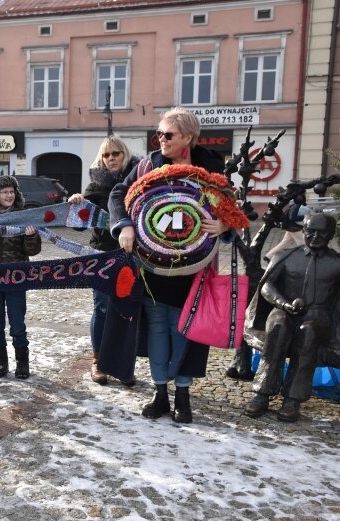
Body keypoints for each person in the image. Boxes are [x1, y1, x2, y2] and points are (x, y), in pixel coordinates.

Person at [108, 107, 229, 424]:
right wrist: (124, 225)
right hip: (153, 268)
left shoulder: (211, 165)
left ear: (188, 137)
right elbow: (119, 194)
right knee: (158, 329)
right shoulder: (149, 165)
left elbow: (230, 203)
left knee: (187, 330)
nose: (161, 139)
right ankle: (160, 393)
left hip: (196, 268)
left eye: (168, 134)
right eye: (158, 134)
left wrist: (225, 224)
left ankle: (183, 396)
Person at [245, 213, 340, 422]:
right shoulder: (287, 256)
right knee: (278, 325)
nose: (314, 236)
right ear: (303, 230)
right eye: (310, 231)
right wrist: (283, 303)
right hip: (283, 309)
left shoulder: (336, 264)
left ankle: (292, 399)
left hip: (318, 315)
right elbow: (267, 286)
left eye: (321, 232)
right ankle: (261, 394)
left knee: (309, 332)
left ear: (330, 234)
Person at [68, 134, 139, 386]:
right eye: (106, 155)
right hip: (102, 254)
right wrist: (77, 204)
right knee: (101, 307)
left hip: (133, 254)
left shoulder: (139, 180)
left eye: (115, 153)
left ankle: (123, 364)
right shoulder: (96, 185)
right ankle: (98, 360)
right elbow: (77, 226)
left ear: (124, 154)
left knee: (128, 308)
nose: (111, 159)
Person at [0, 176, 41, 379]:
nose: (9, 195)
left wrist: (30, 236)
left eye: (12, 191)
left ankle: (22, 362)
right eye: (4, 192)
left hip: (16, 278)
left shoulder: (23, 216)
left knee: (17, 323)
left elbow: (34, 250)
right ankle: (0, 361)